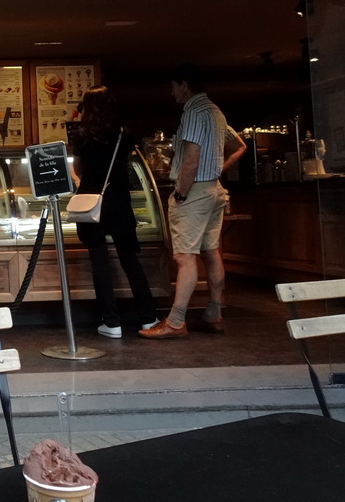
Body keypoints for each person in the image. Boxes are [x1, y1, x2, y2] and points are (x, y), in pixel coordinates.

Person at [140, 63, 242, 339]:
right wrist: (219, 169)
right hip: (214, 190)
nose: (171, 92)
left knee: (184, 257)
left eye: (173, 86)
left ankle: (175, 322)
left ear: (184, 84)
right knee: (211, 252)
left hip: (195, 191)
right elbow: (239, 145)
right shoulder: (216, 111)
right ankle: (213, 314)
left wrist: (182, 192)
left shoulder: (194, 111)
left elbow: (192, 157)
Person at [70, 87, 158, 338]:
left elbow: (78, 168)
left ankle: (111, 322)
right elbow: (128, 163)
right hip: (118, 198)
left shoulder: (81, 134)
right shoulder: (124, 133)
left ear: (86, 107)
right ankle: (149, 318)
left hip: (91, 200)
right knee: (129, 258)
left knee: (99, 259)